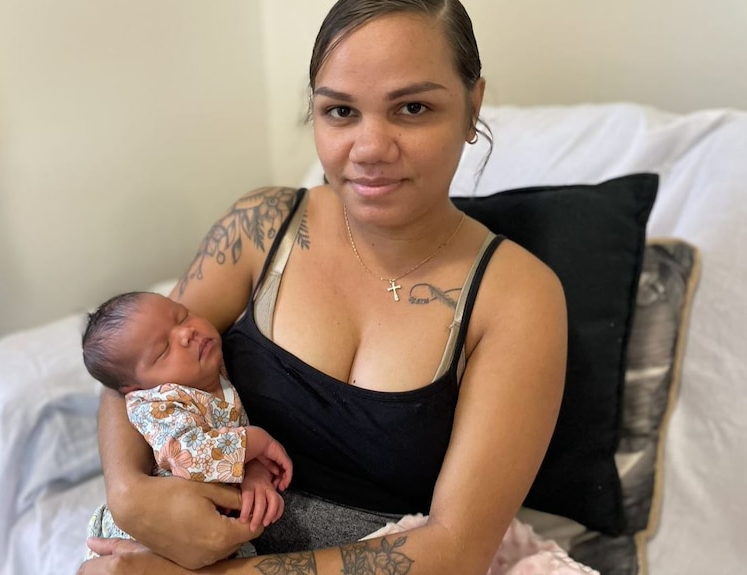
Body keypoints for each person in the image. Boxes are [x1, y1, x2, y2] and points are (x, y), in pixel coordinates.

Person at [79, 0, 568, 573]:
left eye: (412, 107)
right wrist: (130, 494)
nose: (370, 150)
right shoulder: (261, 226)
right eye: (340, 112)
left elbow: (457, 548)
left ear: (472, 106)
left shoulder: (519, 298)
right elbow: (133, 366)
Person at [81, 291, 293, 550]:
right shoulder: (158, 405)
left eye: (182, 316)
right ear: (135, 387)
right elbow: (191, 456)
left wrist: (255, 472)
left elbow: (231, 449)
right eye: (163, 350)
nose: (186, 334)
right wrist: (256, 441)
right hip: (150, 537)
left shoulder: (214, 368)